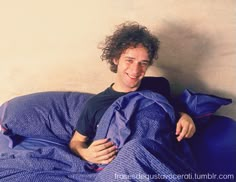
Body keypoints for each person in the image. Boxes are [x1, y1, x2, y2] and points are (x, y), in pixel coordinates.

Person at [69, 21, 196, 165]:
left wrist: (185, 116)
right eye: (129, 60)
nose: (136, 70)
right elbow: (76, 142)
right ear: (116, 59)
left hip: (162, 157)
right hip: (121, 167)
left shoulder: (159, 86)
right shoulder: (96, 104)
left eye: (143, 63)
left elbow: (171, 110)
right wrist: (85, 153)